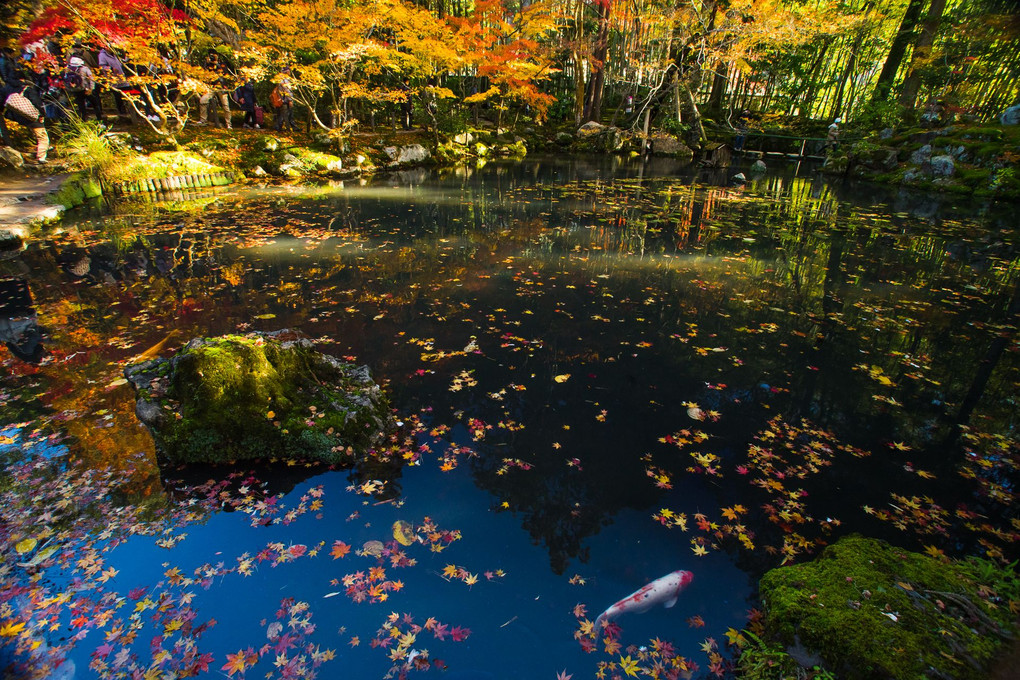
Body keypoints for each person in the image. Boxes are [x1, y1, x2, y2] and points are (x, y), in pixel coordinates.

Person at [1, 80, 49, 164]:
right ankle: (41, 157)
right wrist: (42, 114)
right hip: (33, 117)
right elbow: (37, 103)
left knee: (37, 135)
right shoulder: (28, 90)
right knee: (43, 137)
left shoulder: (8, 89)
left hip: (22, 118)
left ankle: (38, 151)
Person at [196, 53, 232, 128]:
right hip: (211, 87)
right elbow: (203, 74)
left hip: (221, 87)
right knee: (203, 100)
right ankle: (203, 120)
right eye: (211, 56)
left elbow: (225, 74)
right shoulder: (208, 65)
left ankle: (228, 123)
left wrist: (217, 64)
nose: (212, 57)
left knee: (225, 105)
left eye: (214, 56)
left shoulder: (222, 64)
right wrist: (206, 63)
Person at [65, 56, 102, 121]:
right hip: (86, 89)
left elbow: (66, 80)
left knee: (81, 106)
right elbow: (91, 79)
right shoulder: (84, 68)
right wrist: (91, 88)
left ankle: (84, 120)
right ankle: (99, 119)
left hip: (77, 89)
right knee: (95, 104)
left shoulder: (68, 69)